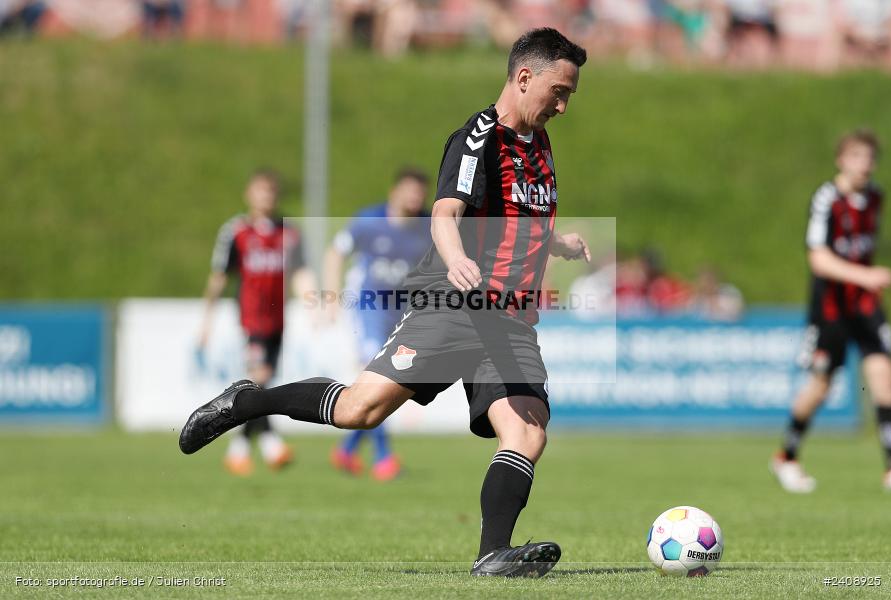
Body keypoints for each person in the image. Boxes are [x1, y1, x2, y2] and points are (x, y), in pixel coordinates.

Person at [180, 27, 590, 577]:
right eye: (559, 91)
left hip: (509, 318)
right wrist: (458, 260)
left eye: (569, 94)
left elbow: (520, 216)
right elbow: (447, 215)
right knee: (359, 410)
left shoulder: (538, 142)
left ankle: (492, 554)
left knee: (528, 430)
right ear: (524, 77)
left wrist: (555, 241)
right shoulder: (477, 137)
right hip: (453, 302)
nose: (563, 105)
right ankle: (248, 403)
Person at [771, 130, 891, 493]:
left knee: (884, 377)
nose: (864, 165)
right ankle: (787, 456)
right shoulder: (827, 199)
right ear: (841, 159)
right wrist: (865, 275)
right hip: (831, 308)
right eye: (857, 157)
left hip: (866, 304)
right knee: (821, 385)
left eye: (870, 158)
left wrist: (865, 281)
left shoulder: (875, 197)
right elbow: (819, 259)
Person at [198, 169, 313, 476]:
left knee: (262, 384)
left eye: (271, 191)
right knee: (258, 380)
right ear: (248, 194)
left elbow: (301, 272)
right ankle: (271, 444)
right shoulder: (236, 232)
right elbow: (220, 276)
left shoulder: (290, 232)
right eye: (261, 190)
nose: (267, 197)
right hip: (251, 320)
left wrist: (313, 303)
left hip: (278, 321)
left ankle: (239, 450)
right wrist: (206, 321)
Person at [325, 167, 432, 481]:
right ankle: (384, 458)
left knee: (394, 384)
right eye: (409, 190)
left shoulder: (428, 226)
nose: (415, 198)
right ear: (394, 192)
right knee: (376, 378)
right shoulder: (369, 221)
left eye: (420, 193)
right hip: (368, 308)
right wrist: (330, 296)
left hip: (403, 312)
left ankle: (347, 450)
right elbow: (335, 252)